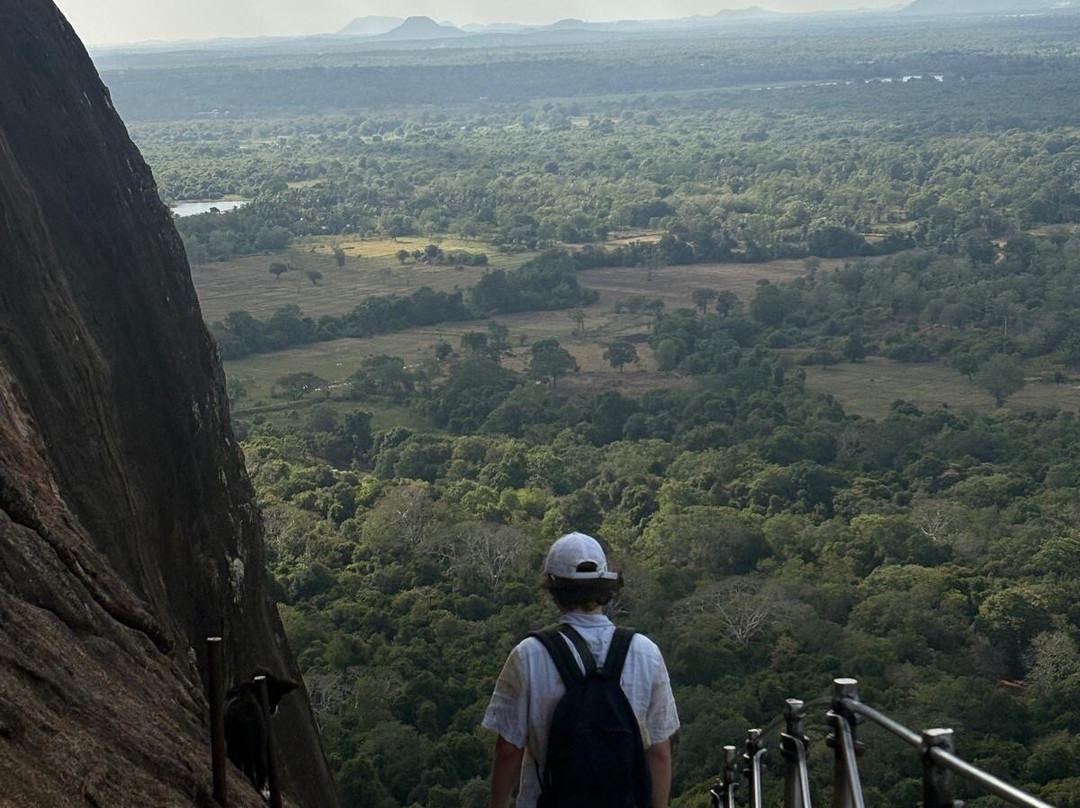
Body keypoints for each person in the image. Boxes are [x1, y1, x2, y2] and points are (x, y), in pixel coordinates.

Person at [483, 532, 680, 808]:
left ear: (554, 589)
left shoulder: (529, 654)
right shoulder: (645, 653)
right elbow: (659, 751)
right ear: (604, 587)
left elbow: (508, 750)